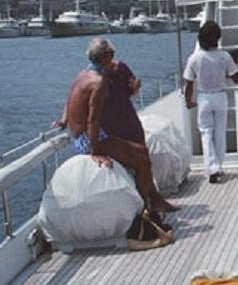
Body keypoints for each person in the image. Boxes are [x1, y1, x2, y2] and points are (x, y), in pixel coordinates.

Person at [54, 38, 178, 220]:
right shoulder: (99, 81)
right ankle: (144, 213)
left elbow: (72, 97)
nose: (113, 58)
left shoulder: (82, 75)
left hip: (80, 136)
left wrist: (64, 120)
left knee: (141, 153)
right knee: (143, 160)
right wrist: (95, 151)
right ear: (105, 57)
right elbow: (93, 119)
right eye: (111, 54)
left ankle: (151, 201)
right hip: (89, 140)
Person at [184, 21, 238, 183]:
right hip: (220, 96)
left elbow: (189, 83)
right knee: (220, 133)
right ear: (217, 38)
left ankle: (212, 168)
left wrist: (188, 101)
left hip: (203, 97)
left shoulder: (194, 58)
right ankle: (218, 166)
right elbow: (236, 78)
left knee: (206, 133)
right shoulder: (224, 56)